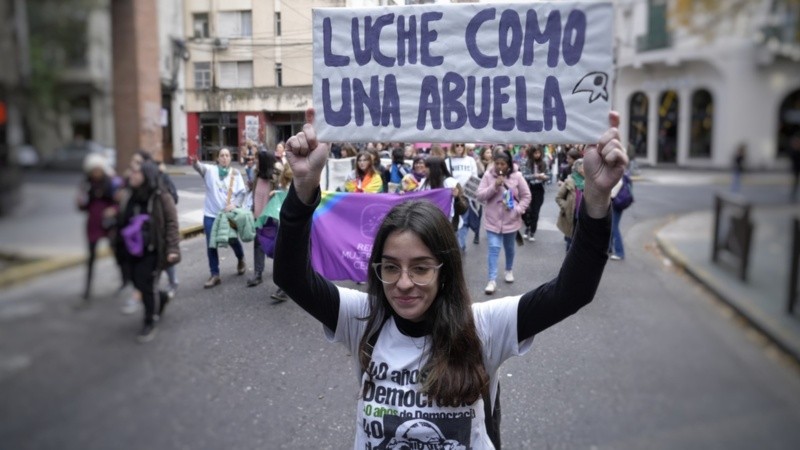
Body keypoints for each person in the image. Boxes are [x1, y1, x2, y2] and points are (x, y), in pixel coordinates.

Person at [274, 108, 625, 449]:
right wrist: (303, 188)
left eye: (421, 268)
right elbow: (291, 276)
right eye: (391, 267)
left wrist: (595, 200)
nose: (404, 283)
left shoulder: (484, 326)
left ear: (445, 270)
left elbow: (572, 292)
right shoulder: (364, 317)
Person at [118, 160, 180, 342]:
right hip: (132, 249)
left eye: (137, 172)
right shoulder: (130, 195)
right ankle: (161, 297)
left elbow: (171, 223)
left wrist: (172, 248)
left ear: (147, 175)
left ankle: (149, 321)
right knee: (135, 281)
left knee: (147, 285)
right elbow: (124, 219)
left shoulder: (160, 195)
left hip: (153, 250)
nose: (132, 175)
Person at [476, 147, 531, 295]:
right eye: (497, 163)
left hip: (511, 221)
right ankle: (492, 280)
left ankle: (508, 269)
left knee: (509, 248)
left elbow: (526, 196)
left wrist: (517, 210)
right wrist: (494, 186)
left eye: (503, 164)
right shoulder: (488, 175)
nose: (499, 166)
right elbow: (480, 195)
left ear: (509, 164)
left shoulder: (517, 176)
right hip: (492, 220)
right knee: (494, 248)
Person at [191, 148, 248, 288]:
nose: (224, 158)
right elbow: (199, 167)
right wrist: (195, 162)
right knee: (211, 244)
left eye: (227, 155)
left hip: (227, 215)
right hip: (210, 215)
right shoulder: (210, 171)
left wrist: (234, 205)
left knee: (232, 240)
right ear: (218, 158)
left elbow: (241, 194)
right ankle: (215, 274)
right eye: (222, 155)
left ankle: (240, 258)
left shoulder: (235, 174)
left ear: (230, 158)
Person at [76, 153, 120, 302]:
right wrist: (80, 203)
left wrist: (113, 210)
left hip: (107, 224)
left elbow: (117, 202)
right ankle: (87, 289)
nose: (96, 173)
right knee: (91, 258)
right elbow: (83, 206)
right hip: (93, 225)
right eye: (93, 170)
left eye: (98, 169)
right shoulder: (86, 184)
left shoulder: (110, 183)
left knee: (116, 253)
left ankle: (123, 281)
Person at [247, 150, 279, 287]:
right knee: (258, 244)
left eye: (258, 160)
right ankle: (258, 273)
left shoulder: (275, 178)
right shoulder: (256, 176)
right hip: (257, 217)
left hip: (271, 218)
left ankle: (281, 277)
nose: (256, 162)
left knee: (276, 246)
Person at [448, 143, 479, 252]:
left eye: (462, 145)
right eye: (457, 145)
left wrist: (470, 193)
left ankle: (460, 244)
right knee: (454, 221)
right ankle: (456, 243)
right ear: (453, 147)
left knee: (465, 221)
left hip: (467, 195)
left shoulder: (470, 160)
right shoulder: (448, 161)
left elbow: (474, 177)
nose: (460, 147)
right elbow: (446, 179)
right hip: (452, 196)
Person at [520, 145, 550, 242]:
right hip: (528, 188)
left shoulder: (544, 162)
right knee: (526, 210)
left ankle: (532, 230)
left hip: (539, 188)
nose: (537, 155)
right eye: (535, 153)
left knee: (535, 211)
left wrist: (544, 177)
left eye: (538, 153)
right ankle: (528, 226)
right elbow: (524, 176)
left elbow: (549, 175)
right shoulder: (526, 162)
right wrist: (535, 176)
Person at [556, 158, 586, 252]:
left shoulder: (590, 182)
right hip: (572, 217)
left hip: (585, 218)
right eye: (583, 167)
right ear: (578, 168)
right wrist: (565, 206)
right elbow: (558, 197)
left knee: (582, 244)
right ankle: (568, 264)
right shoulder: (570, 181)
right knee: (570, 243)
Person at [790, 133, 800, 202]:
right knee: (795, 180)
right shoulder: (794, 151)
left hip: (797, 167)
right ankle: (794, 192)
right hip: (796, 168)